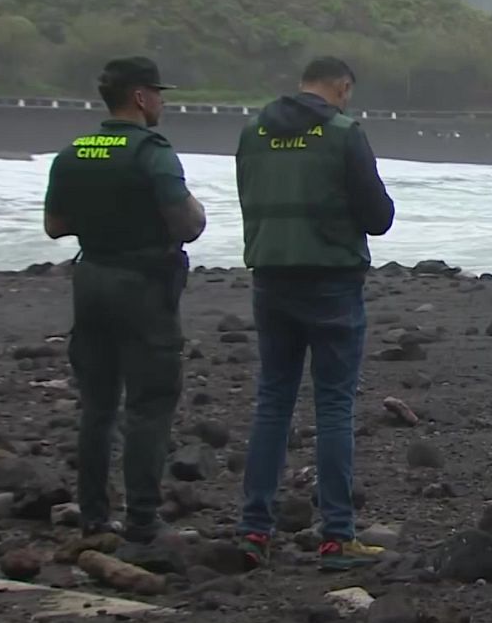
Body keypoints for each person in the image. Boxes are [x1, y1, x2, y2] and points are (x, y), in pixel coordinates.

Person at [232, 56, 395, 572]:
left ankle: (254, 530)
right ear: (342, 88)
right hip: (330, 282)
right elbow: (379, 217)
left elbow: (247, 197)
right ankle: (337, 536)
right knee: (333, 406)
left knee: (273, 402)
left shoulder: (254, 132)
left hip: (270, 277)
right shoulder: (344, 133)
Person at [42, 56, 207, 542]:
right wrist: (193, 209)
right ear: (139, 96)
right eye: (157, 93)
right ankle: (143, 520)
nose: (161, 102)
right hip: (142, 285)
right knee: (149, 404)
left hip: (91, 278)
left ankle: (94, 515)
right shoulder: (152, 153)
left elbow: (54, 226)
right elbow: (188, 225)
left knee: (97, 405)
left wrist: (101, 220)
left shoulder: (72, 153)